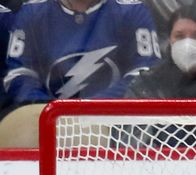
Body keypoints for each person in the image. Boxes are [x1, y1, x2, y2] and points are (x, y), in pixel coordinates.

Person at [3, 0, 159, 108]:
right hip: (47, 122)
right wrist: (49, 109)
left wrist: (99, 107)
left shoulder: (132, 11)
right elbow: (18, 74)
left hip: (117, 124)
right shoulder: (32, 13)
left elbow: (145, 71)